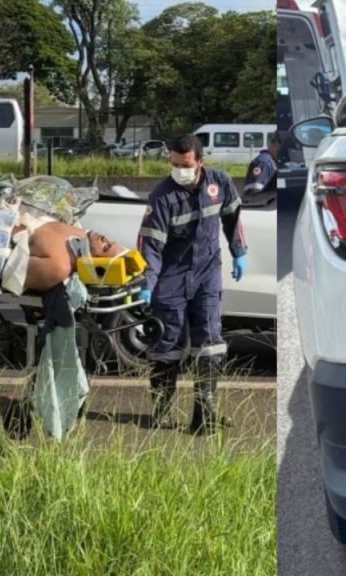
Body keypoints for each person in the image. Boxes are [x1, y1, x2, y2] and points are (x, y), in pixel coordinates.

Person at [136, 134, 247, 434]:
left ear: (200, 161)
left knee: (210, 342)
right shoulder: (162, 196)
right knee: (167, 345)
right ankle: (161, 412)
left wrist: (239, 252)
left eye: (184, 165)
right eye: (173, 164)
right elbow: (151, 245)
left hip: (207, 273)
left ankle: (204, 414)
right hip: (171, 278)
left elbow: (233, 219)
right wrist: (147, 282)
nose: (178, 170)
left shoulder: (219, 183)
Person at [243, 132, 278, 197]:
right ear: (274, 144)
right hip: (259, 204)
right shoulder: (264, 162)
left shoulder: (271, 161)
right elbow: (255, 191)